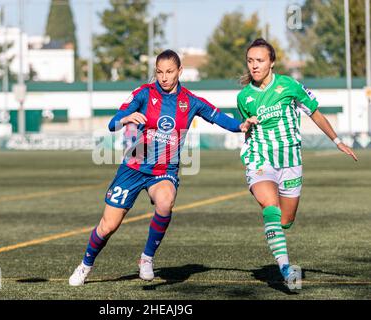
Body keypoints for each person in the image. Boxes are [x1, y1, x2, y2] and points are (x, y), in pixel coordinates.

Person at [69, 49, 258, 286]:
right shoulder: (143, 94)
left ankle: (146, 259)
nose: (164, 77)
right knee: (108, 226)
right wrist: (126, 119)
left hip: (164, 170)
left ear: (180, 71)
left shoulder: (191, 101)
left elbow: (218, 117)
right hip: (134, 166)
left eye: (169, 72)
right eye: (159, 72)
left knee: (165, 201)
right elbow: (112, 123)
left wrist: (241, 126)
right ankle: (85, 264)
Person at [236, 38, 358, 287]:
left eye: (260, 60)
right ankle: (286, 269)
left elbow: (314, 112)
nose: (254, 66)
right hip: (260, 158)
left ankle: (277, 239)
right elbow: (247, 130)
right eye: (250, 61)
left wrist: (337, 141)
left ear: (272, 62)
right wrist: (245, 127)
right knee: (270, 207)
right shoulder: (244, 97)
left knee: (284, 221)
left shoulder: (289, 86)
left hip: (290, 161)